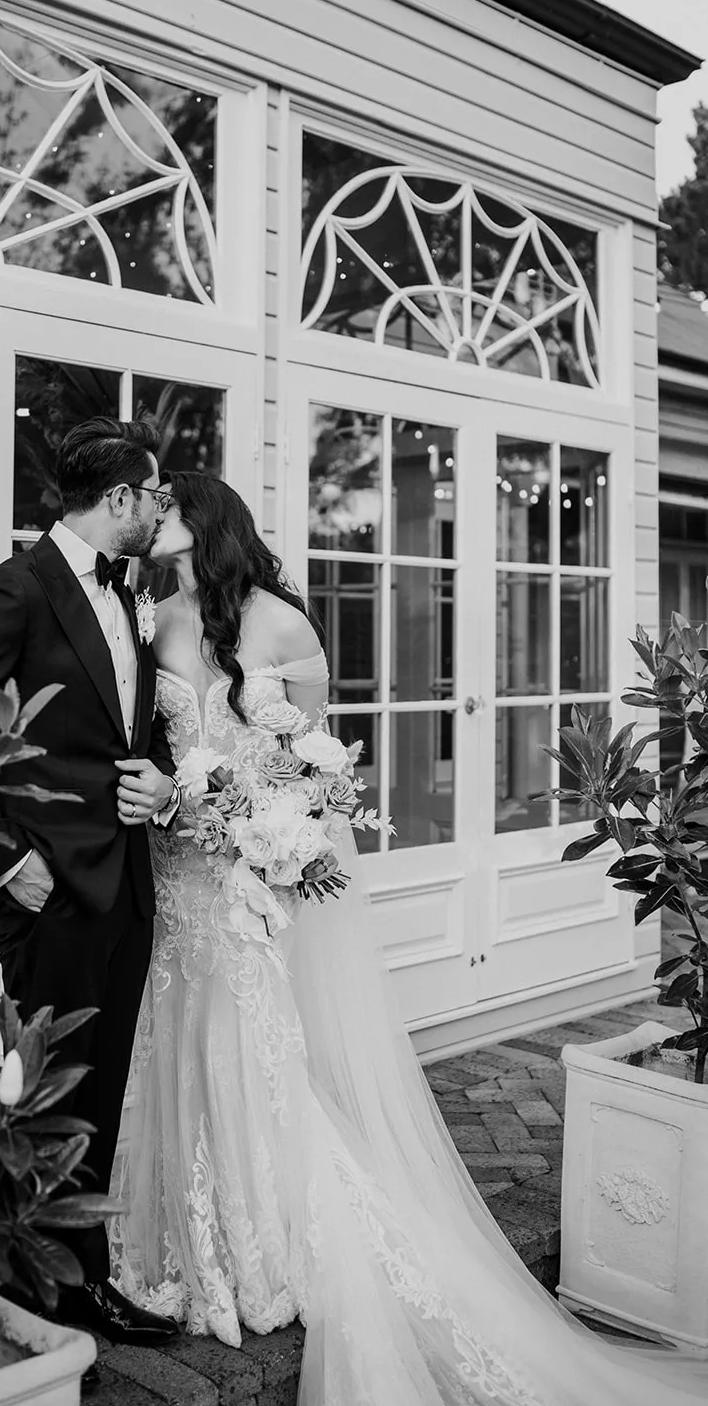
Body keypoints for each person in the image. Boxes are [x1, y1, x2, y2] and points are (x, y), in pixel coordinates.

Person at [110, 469, 708, 1405]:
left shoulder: (278, 623)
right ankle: (188, 1241)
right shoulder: (150, 616)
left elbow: (304, 762)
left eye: (170, 506)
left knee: (244, 1043)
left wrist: (257, 828)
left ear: (205, 521)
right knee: (177, 1038)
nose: (154, 518)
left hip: (236, 871)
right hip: (170, 871)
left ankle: (267, 1248)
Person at [0, 417, 181, 1347]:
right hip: (49, 890)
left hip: (124, 882)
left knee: (97, 1090)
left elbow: (129, 732)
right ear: (119, 498)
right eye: (154, 493)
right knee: (42, 1099)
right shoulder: (13, 588)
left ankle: (74, 1286)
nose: (161, 507)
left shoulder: (131, 594)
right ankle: (32, 1305)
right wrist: (6, 860)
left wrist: (159, 787)